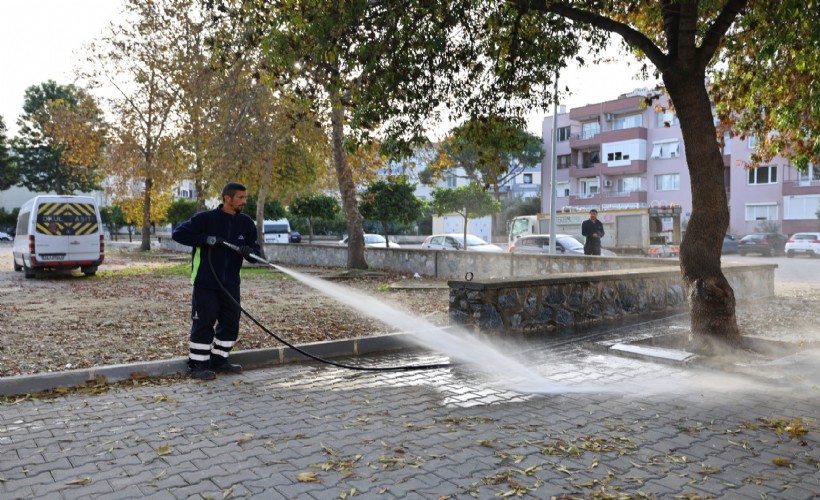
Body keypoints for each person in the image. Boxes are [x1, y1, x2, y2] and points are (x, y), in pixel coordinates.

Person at [172, 182, 260, 380]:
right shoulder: (205, 219)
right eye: (241, 198)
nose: (244, 201)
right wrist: (205, 239)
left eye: (245, 197)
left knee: (230, 322)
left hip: (231, 284)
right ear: (227, 198)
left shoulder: (245, 224)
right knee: (204, 322)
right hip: (206, 282)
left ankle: (219, 360)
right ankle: (197, 365)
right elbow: (178, 233)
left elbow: (255, 252)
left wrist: (250, 253)